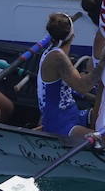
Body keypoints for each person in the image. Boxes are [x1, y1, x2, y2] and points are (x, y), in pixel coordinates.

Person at [37, 12, 100, 140]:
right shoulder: (57, 57)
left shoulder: (51, 50)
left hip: (72, 114)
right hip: (60, 123)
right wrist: (104, 63)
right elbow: (83, 87)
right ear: (73, 35)